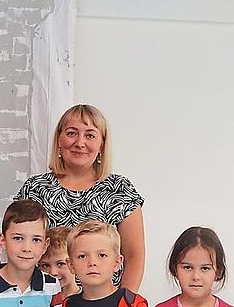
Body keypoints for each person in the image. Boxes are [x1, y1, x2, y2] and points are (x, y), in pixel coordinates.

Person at [16, 104, 145, 292]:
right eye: (71, 133)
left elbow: (134, 255)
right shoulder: (35, 189)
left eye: (90, 135)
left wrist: (123, 304)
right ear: (59, 140)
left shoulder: (120, 189)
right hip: (43, 303)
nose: (80, 142)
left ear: (102, 144)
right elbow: (19, 248)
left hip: (103, 304)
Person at [39, 226, 80, 299]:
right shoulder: (36, 301)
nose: (53, 272)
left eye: (61, 264)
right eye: (45, 265)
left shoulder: (91, 300)